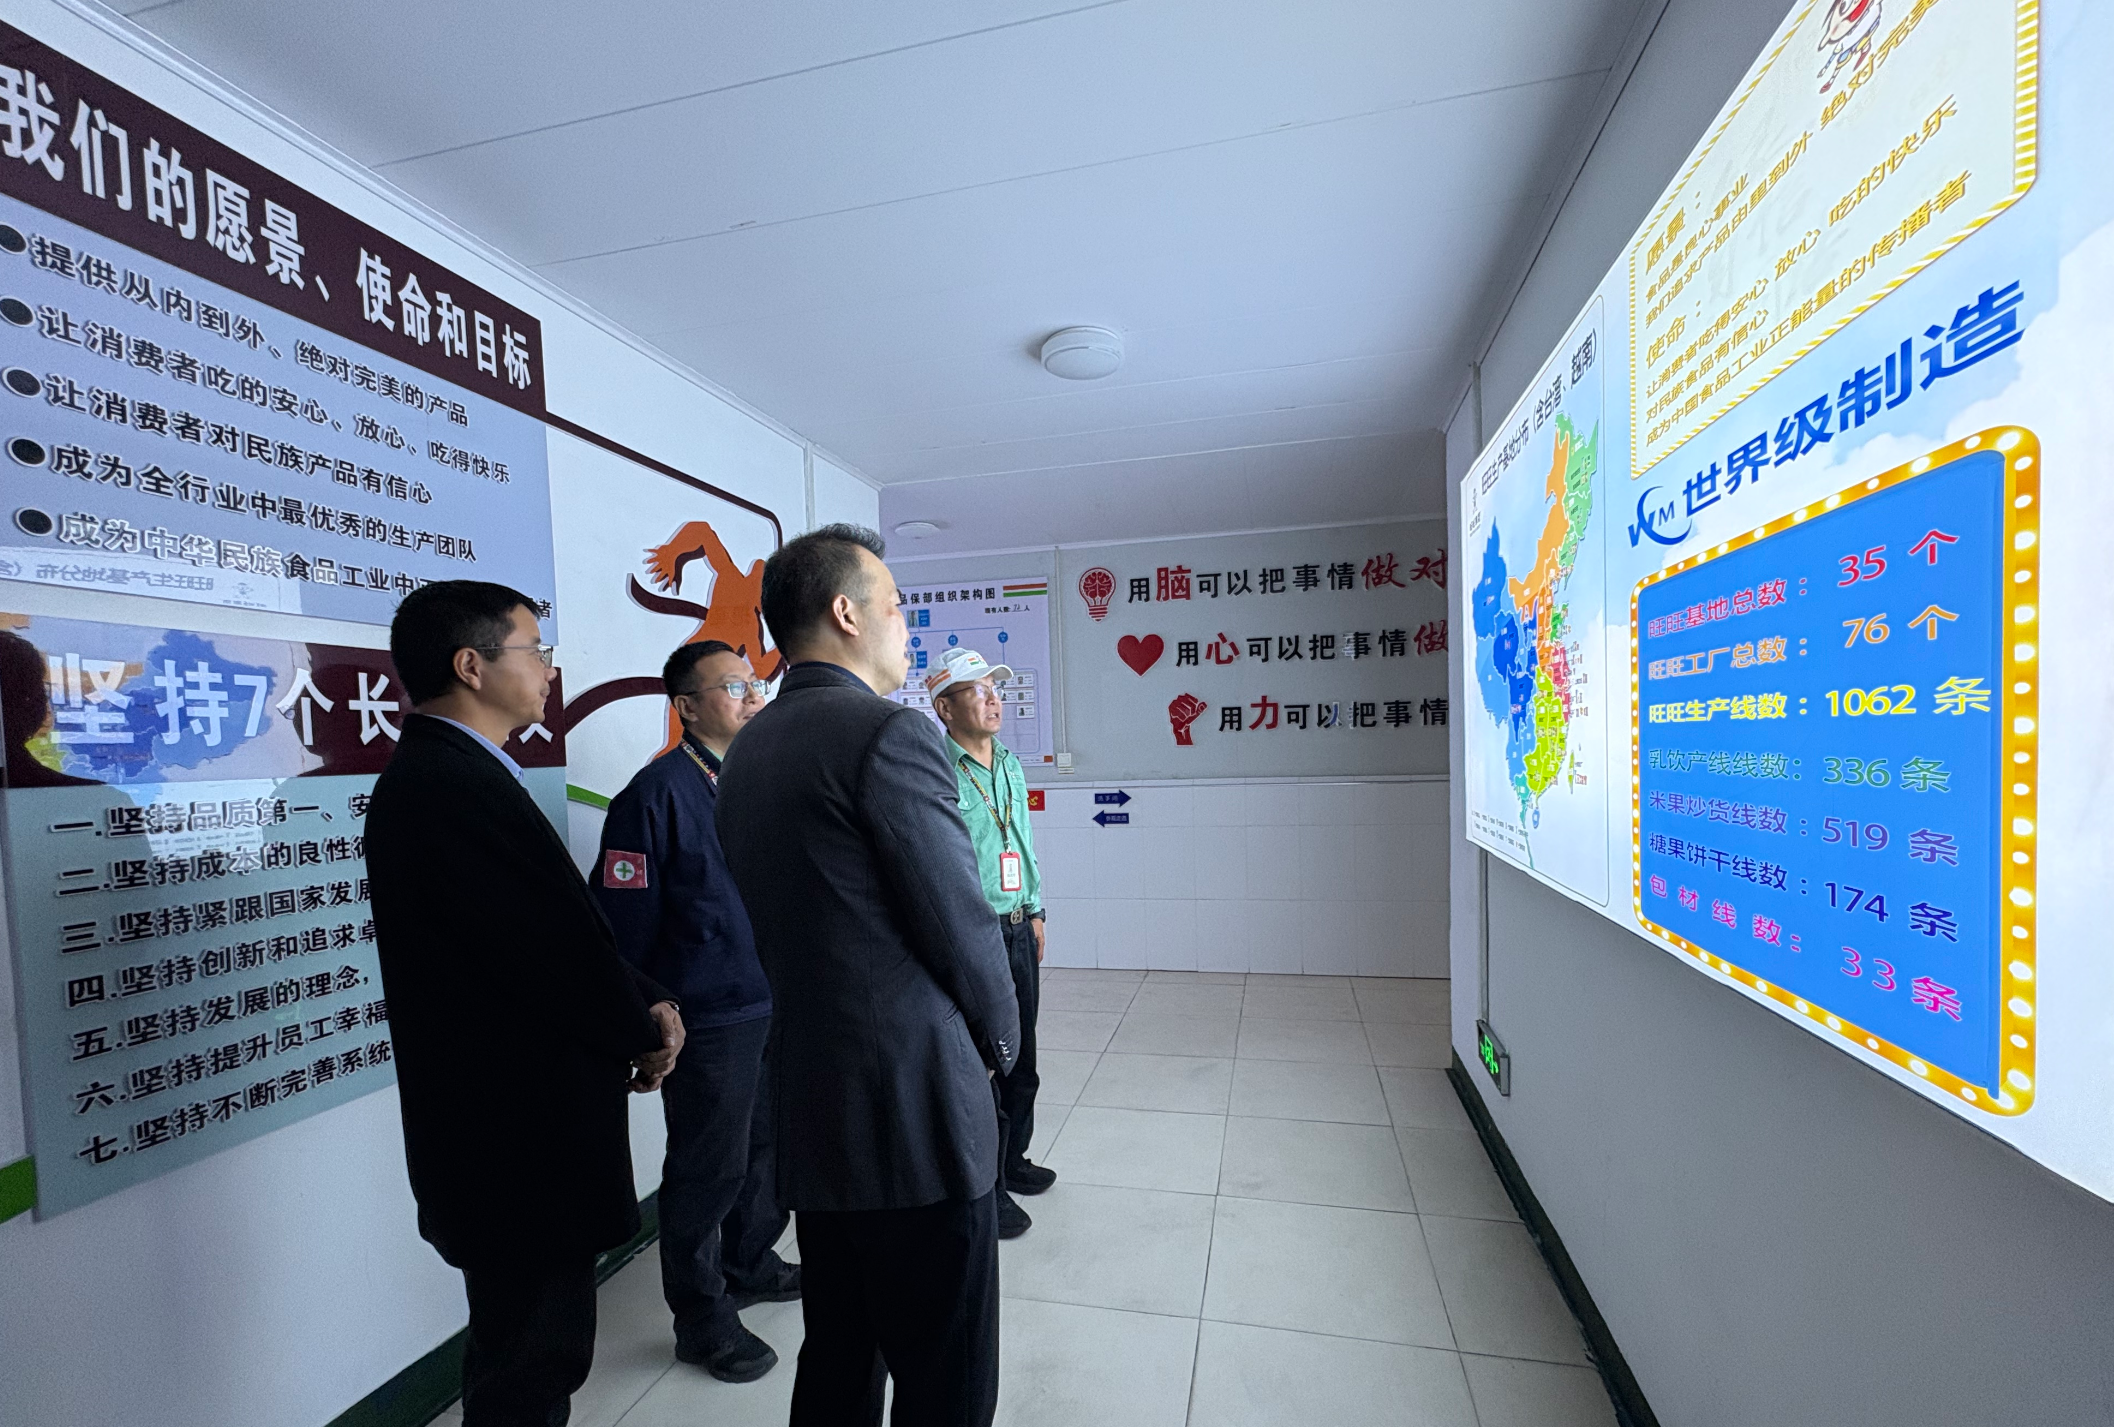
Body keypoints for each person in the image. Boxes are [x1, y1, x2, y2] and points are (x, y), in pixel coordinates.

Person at [714, 524, 1019, 1427]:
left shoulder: (749, 749)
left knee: (841, 1355)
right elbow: (962, 924)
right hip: (915, 1114)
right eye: (895, 606)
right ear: (846, 613)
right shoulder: (889, 733)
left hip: (815, 1101)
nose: (905, 627)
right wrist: (1002, 1044)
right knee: (945, 1376)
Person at [365, 581, 685, 1427]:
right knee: (531, 1363)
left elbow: (558, 933)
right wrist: (642, 1026)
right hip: (514, 1142)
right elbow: (546, 956)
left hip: (511, 1137)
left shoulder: (461, 773)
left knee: (527, 1352)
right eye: (535, 650)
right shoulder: (446, 784)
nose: (549, 669)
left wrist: (645, 1001)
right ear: (471, 666)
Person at [591, 639, 799, 1383]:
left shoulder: (759, 781)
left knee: (766, 1148)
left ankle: (749, 1261)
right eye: (733, 686)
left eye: (755, 684)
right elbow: (620, 931)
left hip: (771, 999)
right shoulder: (653, 797)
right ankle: (702, 1319)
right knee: (707, 1169)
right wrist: (648, 1017)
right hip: (709, 1017)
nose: (753, 697)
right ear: (686, 706)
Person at [924, 647, 1054, 1241]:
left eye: (995, 688)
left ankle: (1014, 1160)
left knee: (1022, 1058)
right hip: (975, 935)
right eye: (978, 690)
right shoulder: (936, 771)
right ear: (945, 708)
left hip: (1019, 926)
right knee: (985, 1064)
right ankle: (988, 1187)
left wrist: (1037, 909)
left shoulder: (1009, 764)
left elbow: (1022, 842)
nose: (994, 698)